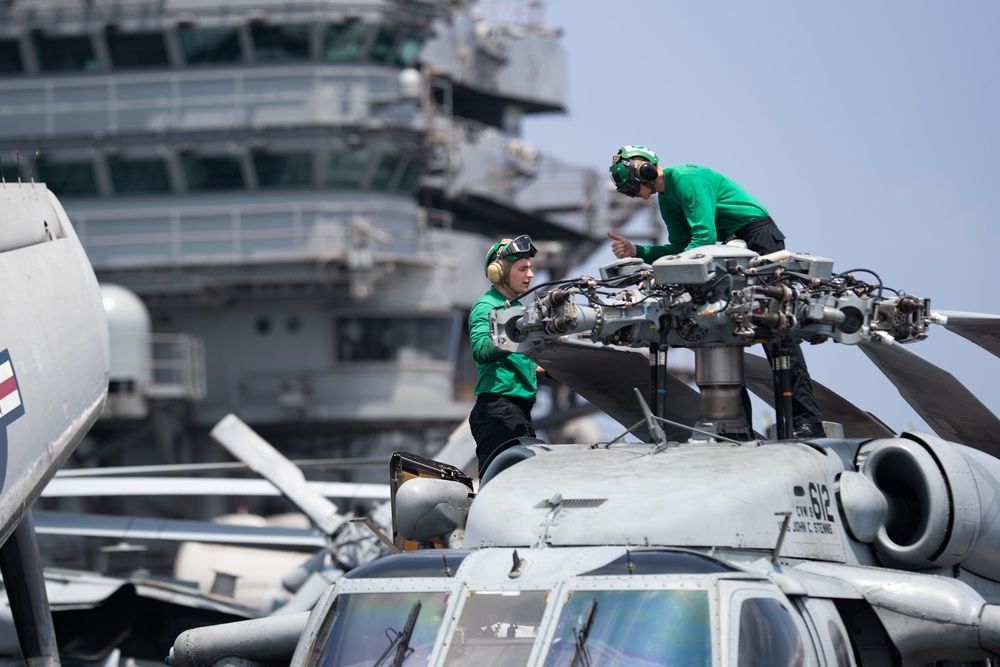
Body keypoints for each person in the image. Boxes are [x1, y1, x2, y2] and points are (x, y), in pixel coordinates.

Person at [607, 145, 824, 439]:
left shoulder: (686, 179)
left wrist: (668, 270)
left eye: (631, 185)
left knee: (777, 338)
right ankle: (736, 427)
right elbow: (680, 247)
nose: (632, 192)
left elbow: (704, 236)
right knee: (719, 333)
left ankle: (806, 424)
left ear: (644, 170)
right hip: (727, 252)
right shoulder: (666, 200)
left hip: (759, 242)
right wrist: (638, 251)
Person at [468, 235, 545, 475]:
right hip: (500, 413)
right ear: (498, 273)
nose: (530, 275)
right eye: (522, 269)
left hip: (514, 412)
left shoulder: (513, 309)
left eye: (530, 268)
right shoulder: (487, 307)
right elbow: (481, 350)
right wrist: (512, 333)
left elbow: (520, 361)